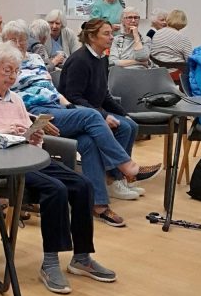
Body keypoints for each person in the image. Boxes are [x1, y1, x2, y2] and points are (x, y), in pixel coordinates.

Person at [0, 42, 117, 294]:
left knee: (83, 184)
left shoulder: (16, 100)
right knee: (56, 190)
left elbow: (30, 136)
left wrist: (33, 135)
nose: (12, 77)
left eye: (15, 71)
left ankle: (82, 257)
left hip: (28, 157)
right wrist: (2, 132)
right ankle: (50, 261)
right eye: (7, 71)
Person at [2, 20, 156, 226]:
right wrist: (34, 119)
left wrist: (70, 108)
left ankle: (98, 204)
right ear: (3, 42)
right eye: (13, 39)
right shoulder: (4, 64)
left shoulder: (36, 58)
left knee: (89, 141)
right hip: (35, 115)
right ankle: (127, 168)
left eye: (22, 39)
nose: (19, 43)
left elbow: (53, 90)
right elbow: (7, 99)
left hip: (57, 108)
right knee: (93, 115)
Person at [59, 19, 160, 219]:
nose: (111, 37)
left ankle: (116, 178)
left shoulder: (101, 58)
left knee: (130, 124)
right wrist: (104, 116)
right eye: (106, 34)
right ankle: (116, 177)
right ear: (91, 36)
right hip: (78, 113)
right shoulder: (79, 60)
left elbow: (104, 93)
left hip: (94, 110)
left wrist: (122, 113)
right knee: (122, 128)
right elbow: (73, 97)